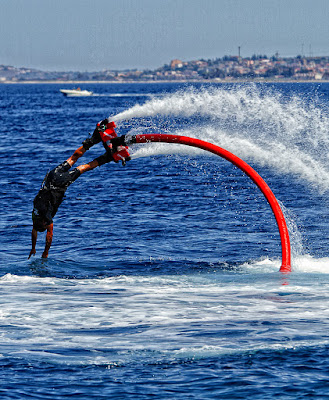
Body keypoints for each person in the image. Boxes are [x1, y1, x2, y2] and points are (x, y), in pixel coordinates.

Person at [29, 119, 131, 259]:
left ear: (43, 223)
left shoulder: (45, 217)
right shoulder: (34, 217)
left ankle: (107, 157)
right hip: (51, 176)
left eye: (45, 225)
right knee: (73, 158)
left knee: (84, 168)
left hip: (59, 184)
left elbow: (49, 235)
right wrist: (33, 248)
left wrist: (46, 252)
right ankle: (94, 138)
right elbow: (34, 231)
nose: (47, 225)